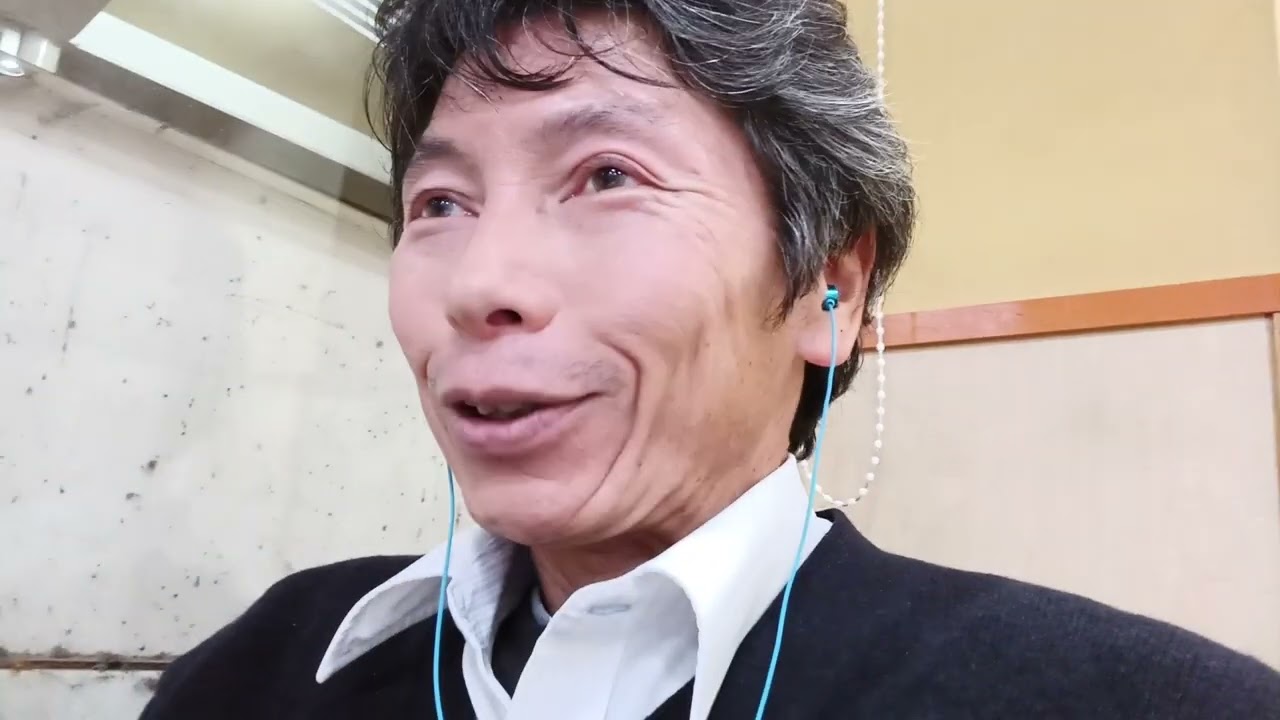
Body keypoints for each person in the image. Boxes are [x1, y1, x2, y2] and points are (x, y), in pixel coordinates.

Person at [140, 0, 1280, 718]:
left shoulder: (1137, 701)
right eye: (440, 201)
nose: (481, 283)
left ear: (829, 288)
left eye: (606, 177)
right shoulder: (260, 671)